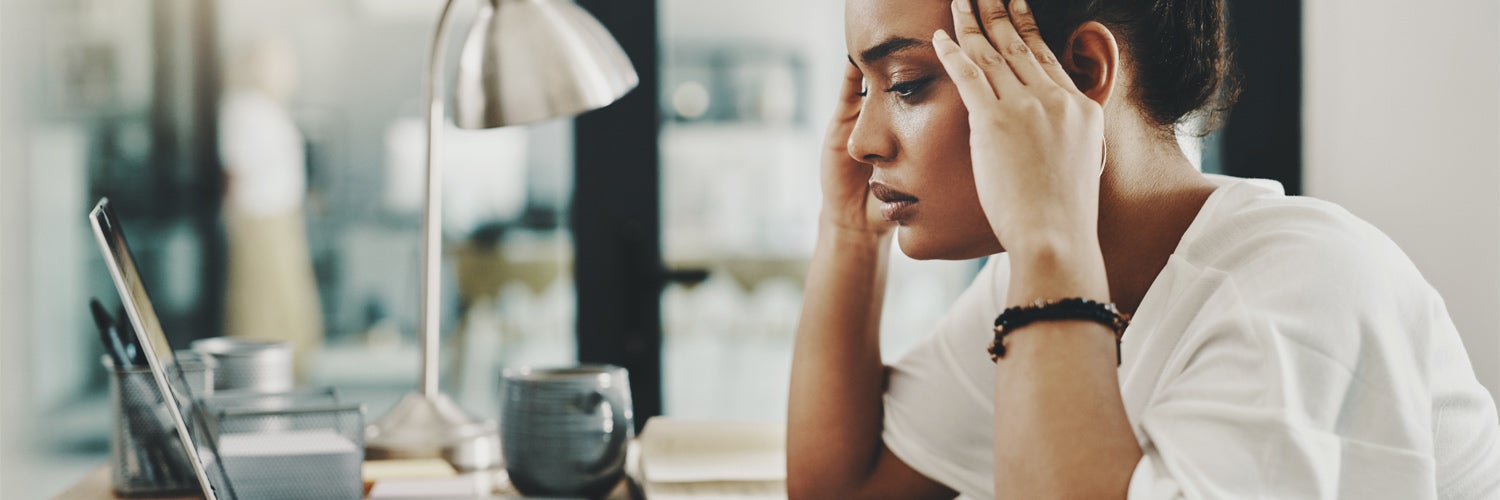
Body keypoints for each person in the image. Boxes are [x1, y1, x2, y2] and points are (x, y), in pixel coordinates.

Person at [786, 0, 1500, 498]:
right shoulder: (1039, 278)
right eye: (865, 86)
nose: (861, 139)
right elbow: (846, 489)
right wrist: (849, 234)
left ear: (1083, 74)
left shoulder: (1301, 286)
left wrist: (1045, 237)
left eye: (907, 84)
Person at [218, 37, 324, 380]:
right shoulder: (242, 107)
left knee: (288, 298)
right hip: (259, 218)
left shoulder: (268, 107)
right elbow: (237, 170)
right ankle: (260, 374)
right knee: (263, 300)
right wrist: (233, 219)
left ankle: (289, 371)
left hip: (281, 216)